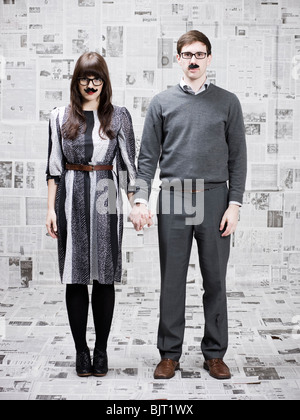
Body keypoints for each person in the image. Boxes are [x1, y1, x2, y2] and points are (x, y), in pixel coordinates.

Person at [130, 30, 247, 380]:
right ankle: (169, 354)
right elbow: (147, 157)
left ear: (209, 58)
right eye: (187, 54)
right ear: (178, 59)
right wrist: (140, 198)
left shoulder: (228, 102)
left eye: (200, 54)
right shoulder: (161, 102)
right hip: (175, 195)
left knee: (215, 280)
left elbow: (238, 159)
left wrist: (235, 204)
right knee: (173, 279)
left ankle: (214, 353)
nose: (193, 60)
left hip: (214, 197)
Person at [46, 52, 136, 377]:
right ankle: (80, 350)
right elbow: (54, 168)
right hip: (70, 198)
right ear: (77, 80)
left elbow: (127, 168)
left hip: (105, 196)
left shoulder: (118, 116)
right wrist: (50, 211)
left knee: (104, 275)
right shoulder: (60, 117)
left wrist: (137, 204)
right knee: (75, 275)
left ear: (104, 81)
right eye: (85, 78)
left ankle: (101, 350)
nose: (91, 84)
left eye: (97, 78)